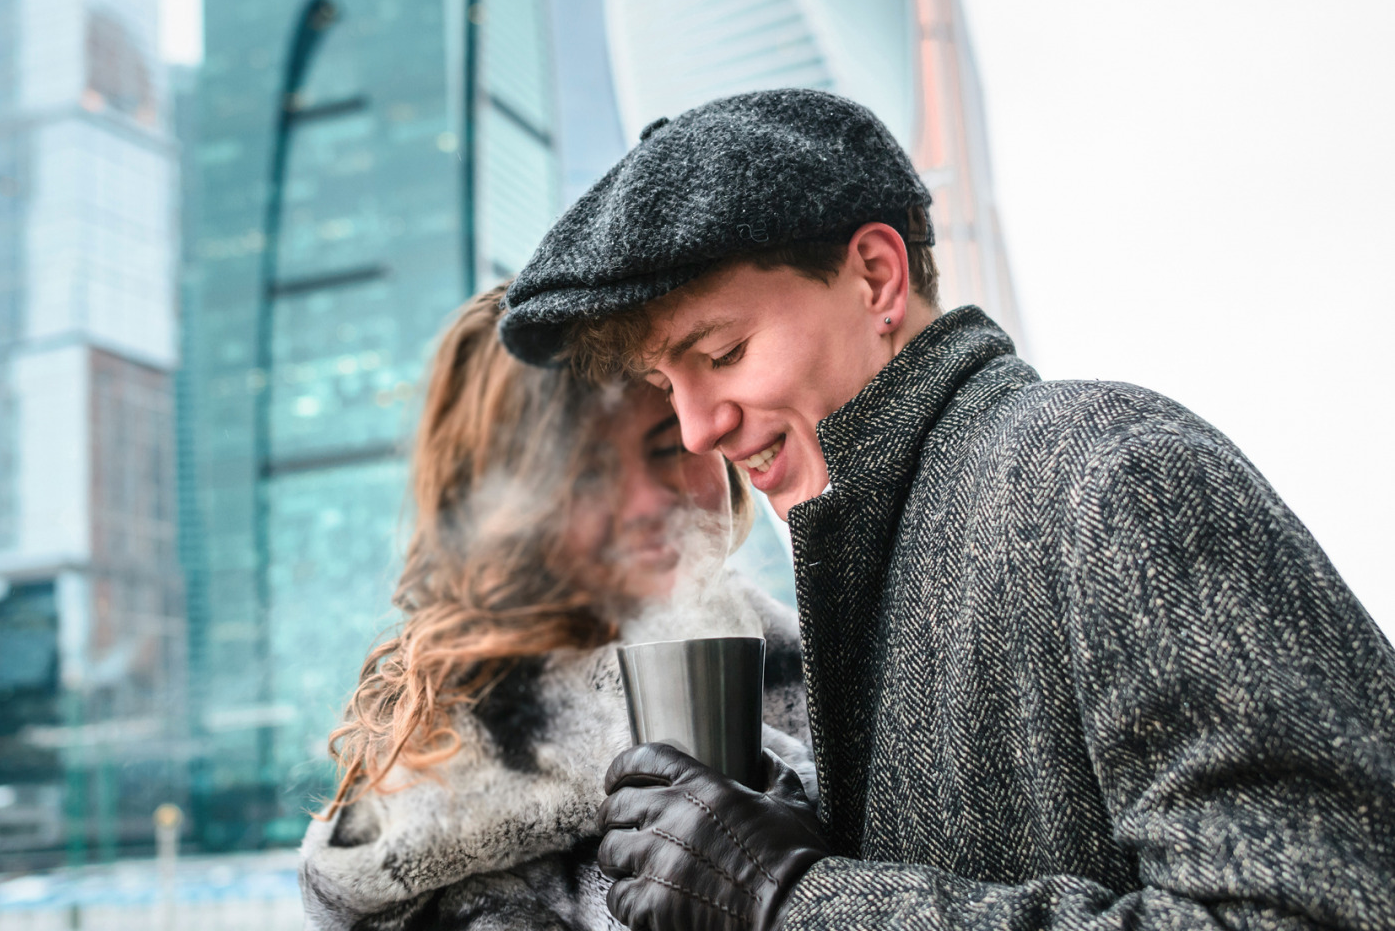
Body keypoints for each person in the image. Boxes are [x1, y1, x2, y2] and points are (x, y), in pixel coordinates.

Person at [498, 89, 1395, 931]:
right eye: (667, 384)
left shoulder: (1111, 478)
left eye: (724, 352)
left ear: (879, 278)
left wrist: (797, 899)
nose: (698, 428)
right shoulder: (884, 556)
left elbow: (1321, 909)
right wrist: (797, 842)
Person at [299, 287, 814, 931]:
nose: (648, 502)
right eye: (590, 473)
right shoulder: (445, 822)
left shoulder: (826, 671)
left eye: (667, 445)